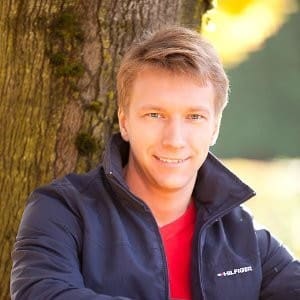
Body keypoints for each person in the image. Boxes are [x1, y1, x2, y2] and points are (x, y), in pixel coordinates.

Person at [11, 26, 300, 300]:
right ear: (125, 123)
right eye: (155, 115)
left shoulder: (242, 234)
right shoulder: (62, 211)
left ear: (215, 128)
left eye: (194, 117)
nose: (174, 139)